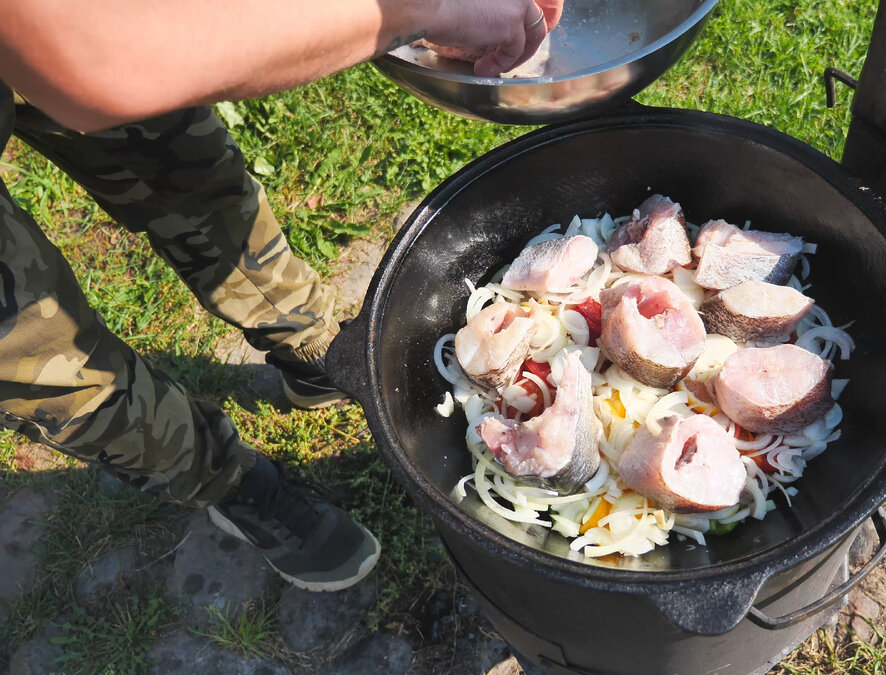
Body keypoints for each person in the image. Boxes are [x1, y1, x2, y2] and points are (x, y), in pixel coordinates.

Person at [0, 0, 562, 592]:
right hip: (71, 36)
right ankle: (225, 480)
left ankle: (311, 352)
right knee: (36, 348)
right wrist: (416, 10)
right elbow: (89, 62)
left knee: (189, 175)